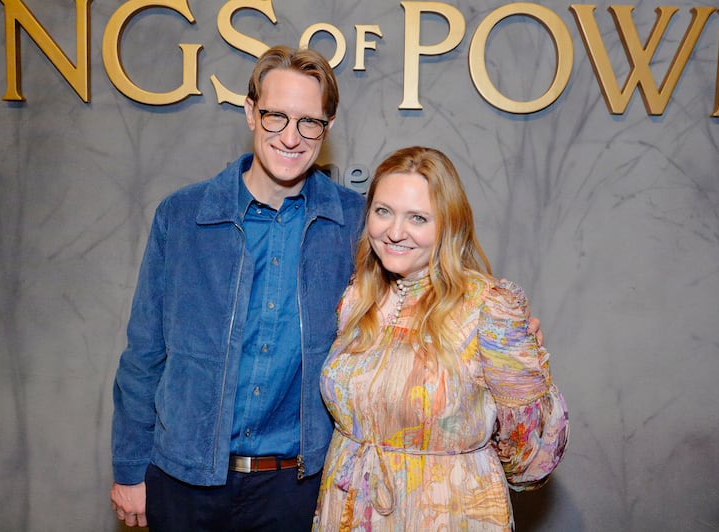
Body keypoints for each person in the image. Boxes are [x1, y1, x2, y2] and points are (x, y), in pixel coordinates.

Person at [109, 45, 367, 530]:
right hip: (183, 482)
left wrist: (492, 326)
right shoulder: (182, 217)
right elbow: (144, 355)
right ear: (251, 112)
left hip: (297, 488)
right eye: (276, 117)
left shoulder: (354, 222)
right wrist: (128, 469)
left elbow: (422, 288)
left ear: (326, 129)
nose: (291, 137)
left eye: (308, 122)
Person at [313, 146, 568, 531]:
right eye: (383, 211)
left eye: (418, 218)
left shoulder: (488, 308)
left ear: (449, 224)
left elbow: (529, 454)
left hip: (446, 515)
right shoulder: (357, 298)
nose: (395, 232)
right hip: (347, 510)